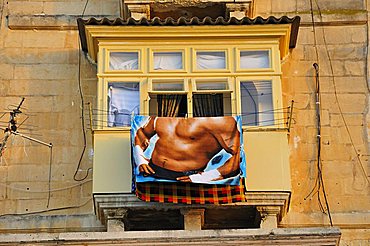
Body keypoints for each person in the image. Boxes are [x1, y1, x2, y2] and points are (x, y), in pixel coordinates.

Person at [133, 116, 241, 183]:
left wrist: (205, 177)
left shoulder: (221, 121)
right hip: (152, 171)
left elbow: (237, 157)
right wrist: (140, 159)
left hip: (189, 178)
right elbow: (142, 134)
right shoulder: (158, 117)